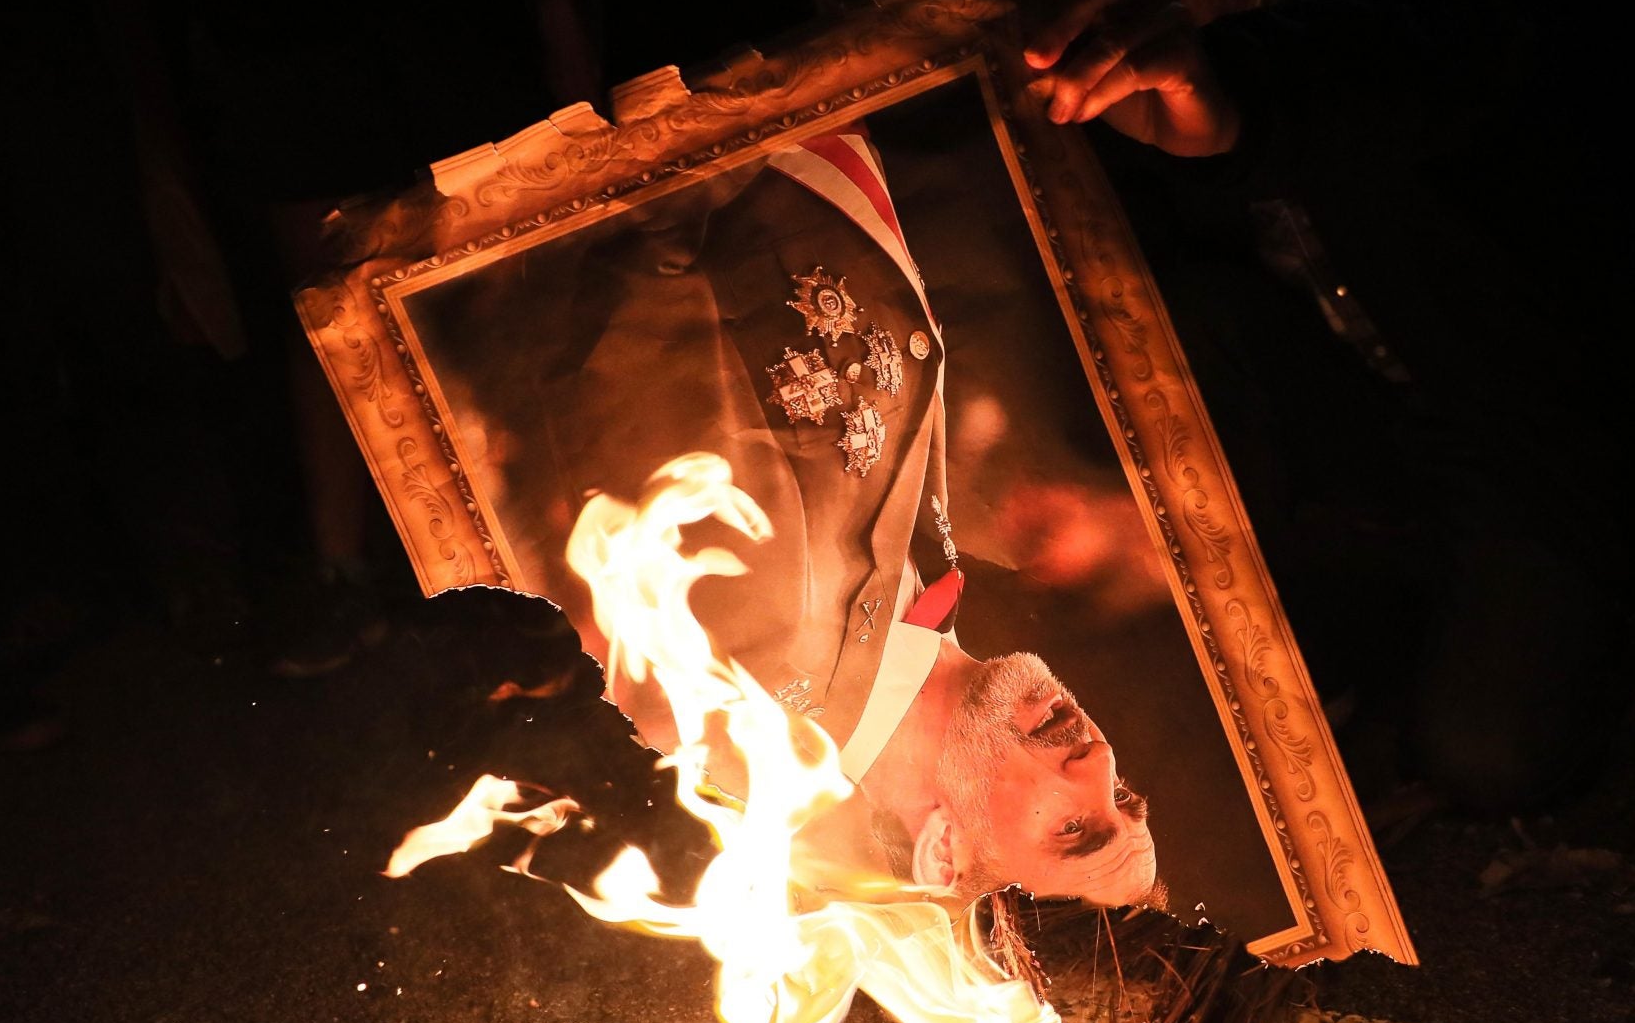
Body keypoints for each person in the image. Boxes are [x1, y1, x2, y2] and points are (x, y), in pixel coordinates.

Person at [1021, 0, 1635, 814]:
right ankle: (1388, 597)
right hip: (1362, 435)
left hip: (1526, 421)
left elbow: (1390, 52)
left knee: (1489, 755)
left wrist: (1228, 99)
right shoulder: (1120, 64)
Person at [458, 126, 1159, 908]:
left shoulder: (756, 652)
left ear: (943, 851)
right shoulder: (916, 594)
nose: (1097, 762)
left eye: (1074, 830)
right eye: (1123, 797)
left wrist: (770, 96)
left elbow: (603, 253)